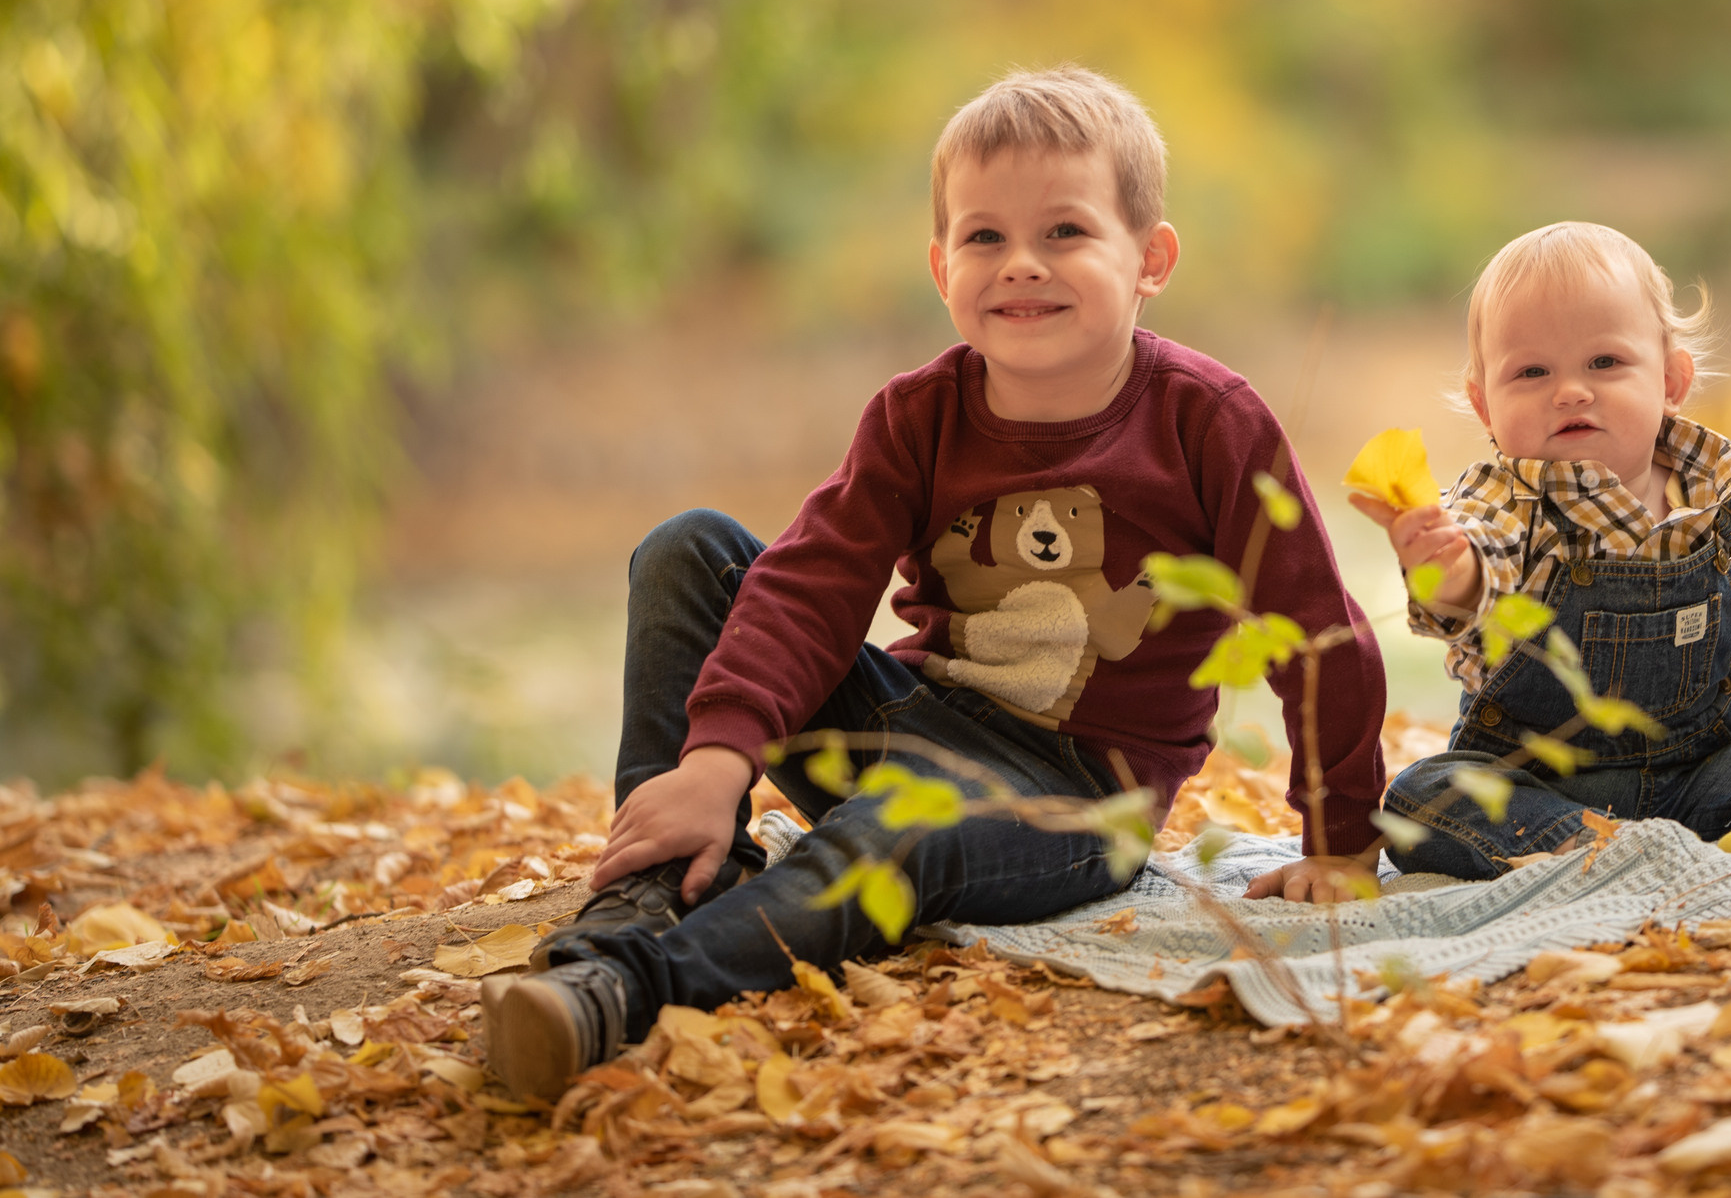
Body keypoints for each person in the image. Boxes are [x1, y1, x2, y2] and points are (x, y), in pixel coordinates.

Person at [484, 67, 1389, 1100]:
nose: (1021, 266)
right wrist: (719, 755)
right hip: (915, 716)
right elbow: (810, 583)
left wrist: (1343, 836)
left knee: (894, 827)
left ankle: (625, 991)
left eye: (1065, 232)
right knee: (691, 547)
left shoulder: (1207, 423)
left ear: (1151, 258)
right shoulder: (918, 415)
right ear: (940, 263)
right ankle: (652, 883)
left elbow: (1317, 627)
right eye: (985, 237)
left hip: (1073, 794)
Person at [1355, 221, 1731, 882]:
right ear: (1484, 405)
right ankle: (1609, 856)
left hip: (1698, 780)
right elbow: (1477, 571)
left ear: (1671, 379)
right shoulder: (1502, 495)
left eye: (1604, 363)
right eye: (1532, 371)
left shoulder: (1721, 489)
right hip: (1539, 784)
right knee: (1423, 797)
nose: (1570, 389)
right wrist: (1446, 571)